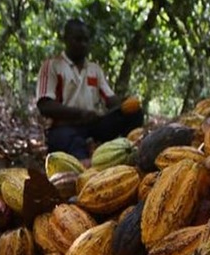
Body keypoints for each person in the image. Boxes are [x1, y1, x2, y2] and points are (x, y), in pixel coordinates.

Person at [36, 18, 143, 162]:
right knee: (77, 155)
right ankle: (85, 161)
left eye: (86, 40)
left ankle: (131, 150)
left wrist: (125, 103)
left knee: (134, 112)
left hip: (93, 125)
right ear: (66, 39)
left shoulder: (94, 69)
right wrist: (79, 114)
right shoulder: (52, 66)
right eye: (78, 40)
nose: (83, 45)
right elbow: (45, 105)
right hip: (64, 127)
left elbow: (110, 100)